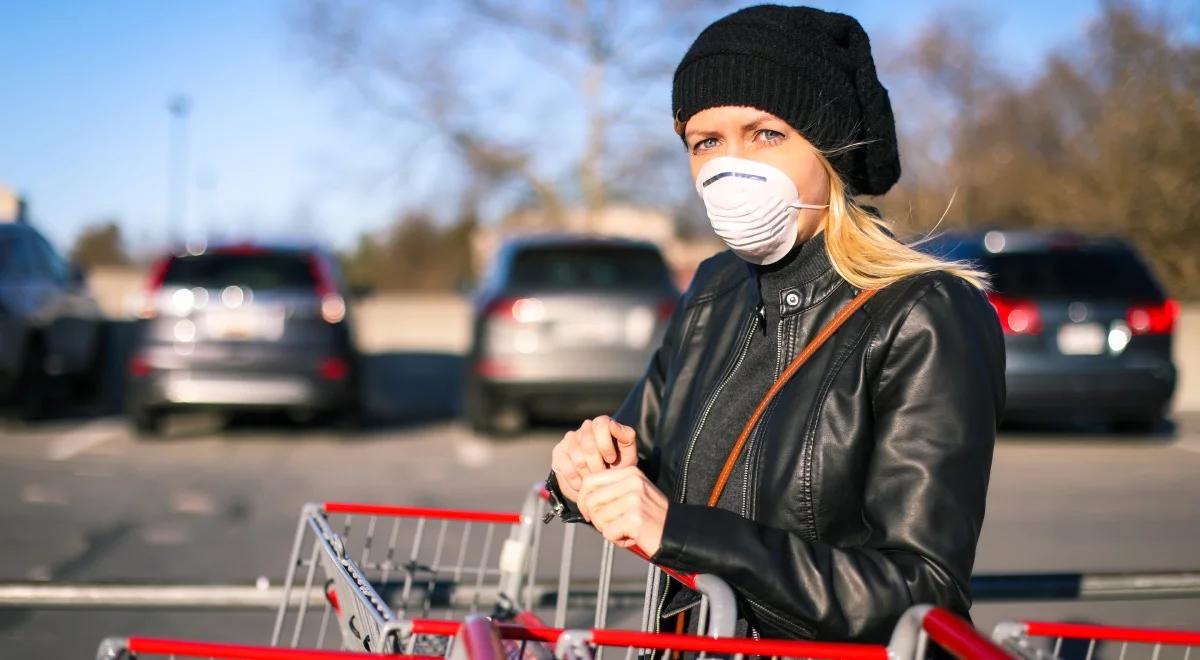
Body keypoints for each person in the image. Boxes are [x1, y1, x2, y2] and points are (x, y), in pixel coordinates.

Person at [543, 4, 1005, 644]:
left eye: (764, 134)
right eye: (707, 142)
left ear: (829, 145)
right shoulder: (713, 289)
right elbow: (635, 453)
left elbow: (924, 594)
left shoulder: (924, 314)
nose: (732, 166)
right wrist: (581, 472)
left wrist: (680, 533)